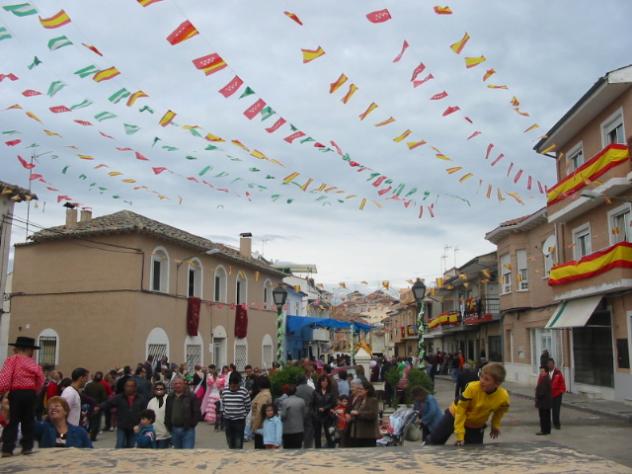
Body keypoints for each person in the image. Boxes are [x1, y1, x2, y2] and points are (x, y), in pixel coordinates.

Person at [426, 362, 510, 446]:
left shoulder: (503, 397)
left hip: (475, 424)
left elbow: (499, 412)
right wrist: (460, 435)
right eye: (481, 376)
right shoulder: (472, 388)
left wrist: (495, 425)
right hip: (455, 415)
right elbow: (461, 411)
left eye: (487, 379)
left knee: (474, 449)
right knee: (433, 441)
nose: (482, 381)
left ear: (497, 384)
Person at [0, 337, 45, 457]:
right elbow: (41, 379)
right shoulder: (33, 363)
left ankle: (7, 448)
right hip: (30, 393)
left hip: (16, 392)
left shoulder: (12, 360)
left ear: (19, 348)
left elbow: (5, 377)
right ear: (28, 350)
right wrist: (35, 391)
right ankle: (27, 447)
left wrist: (2, 390)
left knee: (13, 420)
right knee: (28, 420)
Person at [99, 378, 147, 448]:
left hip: (135, 427)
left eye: (131, 386)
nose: (129, 388)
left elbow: (145, 412)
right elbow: (108, 403)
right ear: (124, 387)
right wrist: (98, 407)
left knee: (131, 446)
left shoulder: (141, 399)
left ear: (135, 388)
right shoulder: (119, 398)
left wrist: (142, 424)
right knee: (120, 445)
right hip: (122, 426)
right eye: (127, 386)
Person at [164, 376, 201, 449]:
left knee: (187, 453)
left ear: (184, 384)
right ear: (173, 385)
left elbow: (197, 412)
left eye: (180, 383)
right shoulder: (170, 397)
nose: (178, 385)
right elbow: (167, 412)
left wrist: (191, 425)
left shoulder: (191, 396)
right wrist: (168, 425)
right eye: (175, 383)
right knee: (178, 453)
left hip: (188, 430)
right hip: (174, 430)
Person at [220, 372, 251, 449]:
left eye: (236, 386)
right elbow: (223, 404)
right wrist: (225, 414)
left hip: (239, 421)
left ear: (239, 383)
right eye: (232, 386)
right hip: (228, 420)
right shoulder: (225, 391)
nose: (234, 388)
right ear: (229, 383)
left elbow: (248, 406)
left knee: (238, 442)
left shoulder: (244, 391)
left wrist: (242, 414)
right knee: (230, 441)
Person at [347, 380, 379, 448]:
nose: (358, 390)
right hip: (357, 433)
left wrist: (358, 413)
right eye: (358, 389)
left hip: (368, 434)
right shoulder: (359, 400)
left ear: (367, 390)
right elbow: (353, 411)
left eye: (361, 389)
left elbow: (372, 414)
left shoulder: (372, 400)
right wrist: (350, 417)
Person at [312, 374, 335, 448]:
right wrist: (315, 413)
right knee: (317, 435)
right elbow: (312, 404)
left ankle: (331, 448)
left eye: (326, 381)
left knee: (329, 434)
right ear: (320, 382)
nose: (324, 383)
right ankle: (318, 449)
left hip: (327, 415)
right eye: (323, 381)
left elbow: (333, 403)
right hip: (317, 415)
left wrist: (325, 408)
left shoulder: (331, 392)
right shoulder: (315, 392)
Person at [280, 384, 306, 449]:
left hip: (287, 430)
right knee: (298, 448)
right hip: (299, 429)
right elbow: (304, 414)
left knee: (287, 449)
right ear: (296, 391)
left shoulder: (284, 402)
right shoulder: (301, 401)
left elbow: (283, 416)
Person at [84, 371, 107, 442]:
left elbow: (84, 395)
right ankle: (93, 436)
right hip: (97, 406)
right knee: (96, 422)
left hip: (88, 405)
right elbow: (104, 397)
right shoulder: (101, 386)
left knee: (89, 421)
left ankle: (87, 434)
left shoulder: (88, 385)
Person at [147, 381, 171, 449]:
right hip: (153, 435)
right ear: (154, 390)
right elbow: (148, 416)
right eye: (157, 389)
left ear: (165, 390)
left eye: (161, 389)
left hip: (165, 435)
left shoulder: (169, 399)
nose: (159, 390)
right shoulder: (151, 401)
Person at [250, 376, 272, 449]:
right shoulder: (265, 393)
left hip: (261, 426)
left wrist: (254, 427)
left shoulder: (263, 395)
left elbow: (259, 412)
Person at [295, 375, 315, 448]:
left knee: (298, 429)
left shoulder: (295, 390)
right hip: (309, 411)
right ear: (306, 381)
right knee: (309, 429)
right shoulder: (311, 390)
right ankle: (308, 446)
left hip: (298, 412)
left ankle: (298, 445)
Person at [548, 358, 566, 430]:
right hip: (550, 394)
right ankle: (552, 422)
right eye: (548, 364)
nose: (550, 365)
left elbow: (562, 382)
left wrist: (562, 390)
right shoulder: (546, 373)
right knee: (551, 409)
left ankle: (557, 423)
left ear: (553, 364)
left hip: (558, 394)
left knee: (556, 409)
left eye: (551, 364)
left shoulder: (558, 372)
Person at [535, 367, 552, 436]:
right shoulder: (545, 378)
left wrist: (538, 397)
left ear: (546, 372)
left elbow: (542, 391)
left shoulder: (545, 379)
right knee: (547, 416)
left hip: (543, 402)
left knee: (543, 417)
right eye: (540, 371)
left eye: (542, 371)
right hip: (546, 402)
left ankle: (544, 430)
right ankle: (547, 430)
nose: (541, 373)